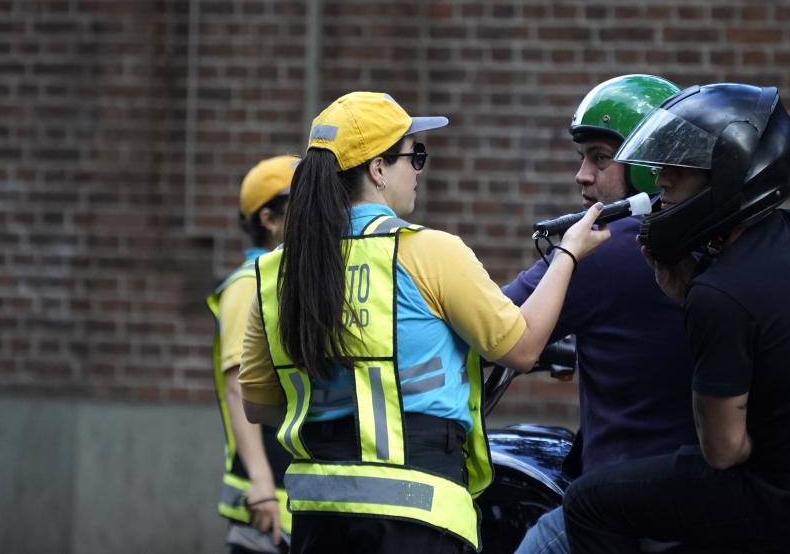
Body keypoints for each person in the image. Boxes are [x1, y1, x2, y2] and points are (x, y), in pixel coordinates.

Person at [562, 83, 790, 553]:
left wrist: (695, 300)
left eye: (681, 165)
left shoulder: (719, 293)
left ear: (729, 173)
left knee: (589, 502)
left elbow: (724, 452)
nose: (661, 179)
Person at [238, 91, 609, 554]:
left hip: (319, 521)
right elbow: (523, 347)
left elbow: (259, 404)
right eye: (415, 156)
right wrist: (568, 252)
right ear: (378, 169)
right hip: (420, 517)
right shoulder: (428, 253)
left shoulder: (279, 272)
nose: (418, 170)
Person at [503, 75, 697, 554]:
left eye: (600, 158)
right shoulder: (701, 236)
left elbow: (495, 321)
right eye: (582, 158)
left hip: (622, 507)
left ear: (649, 168)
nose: (582, 175)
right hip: (701, 496)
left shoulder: (610, 245)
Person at [207, 155, 299, 554]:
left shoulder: (284, 280)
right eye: (301, 204)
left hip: (291, 499)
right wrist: (261, 482)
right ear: (269, 219)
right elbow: (237, 388)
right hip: (267, 504)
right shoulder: (249, 285)